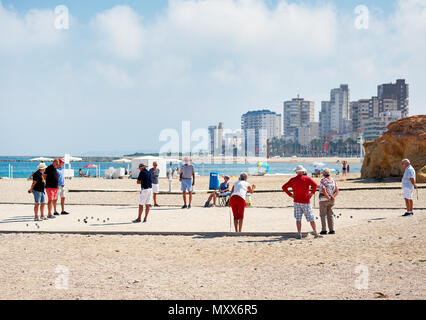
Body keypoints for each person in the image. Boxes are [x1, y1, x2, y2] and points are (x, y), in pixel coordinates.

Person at [282, 165, 321, 239]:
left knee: (298, 218)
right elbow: (315, 185)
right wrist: (312, 193)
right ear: (303, 172)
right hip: (306, 201)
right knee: (311, 218)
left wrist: (290, 194)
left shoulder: (292, 180)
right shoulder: (307, 178)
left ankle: (299, 233)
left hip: (296, 201)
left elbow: (284, 187)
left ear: (296, 172)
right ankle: (315, 232)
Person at [318, 168, 339, 235]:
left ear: (323, 174)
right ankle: (331, 230)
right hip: (332, 200)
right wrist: (332, 197)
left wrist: (328, 198)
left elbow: (324, 190)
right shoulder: (333, 181)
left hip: (324, 200)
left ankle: (324, 230)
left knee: (323, 215)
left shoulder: (323, 181)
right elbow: (337, 190)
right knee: (330, 215)